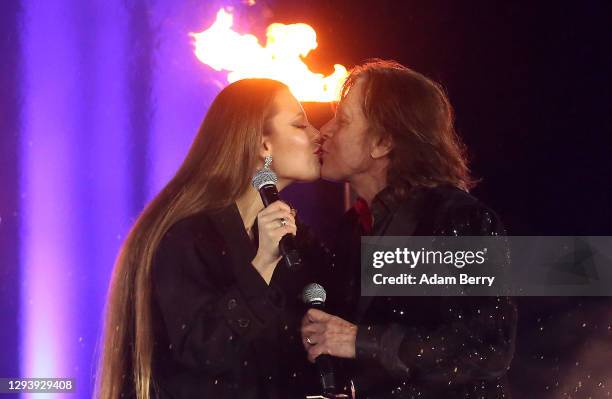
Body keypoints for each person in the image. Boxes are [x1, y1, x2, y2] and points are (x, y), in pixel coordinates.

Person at [95, 78, 333, 399]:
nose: (317, 134)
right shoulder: (187, 235)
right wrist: (261, 265)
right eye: (300, 124)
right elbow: (202, 350)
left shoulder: (296, 239)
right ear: (263, 145)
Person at [300, 60, 518, 398]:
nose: (325, 130)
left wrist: (360, 341)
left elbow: (486, 350)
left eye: (342, 120)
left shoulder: (455, 218)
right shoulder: (354, 227)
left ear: (383, 142)